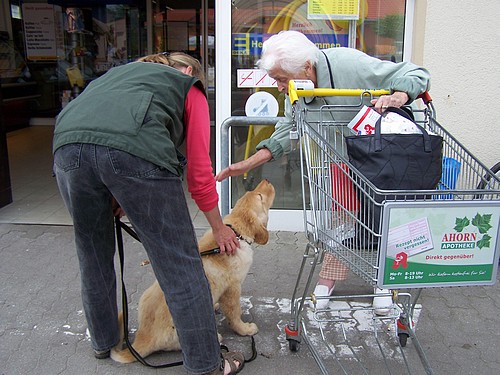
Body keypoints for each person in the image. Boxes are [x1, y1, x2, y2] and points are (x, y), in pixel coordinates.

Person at [53, 52, 244, 375]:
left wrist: (116, 191)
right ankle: (208, 364)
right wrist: (219, 227)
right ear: (187, 71)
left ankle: (103, 341)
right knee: (180, 264)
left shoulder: (114, 76)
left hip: (66, 146)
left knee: (92, 253)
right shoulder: (189, 86)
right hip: (133, 153)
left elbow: (100, 144)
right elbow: (199, 175)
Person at [216, 30, 431, 313]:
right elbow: (288, 128)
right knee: (341, 225)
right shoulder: (297, 91)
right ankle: (329, 278)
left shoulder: (349, 64)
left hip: (380, 161)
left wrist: (400, 94)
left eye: (281, 79)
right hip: (339, 160)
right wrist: (251, 161)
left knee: (384, 221)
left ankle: (384, 281)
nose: (279, 87)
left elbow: (415, 73)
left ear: (306, 67)